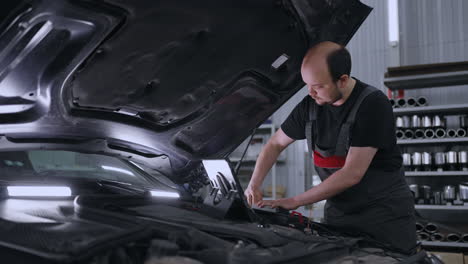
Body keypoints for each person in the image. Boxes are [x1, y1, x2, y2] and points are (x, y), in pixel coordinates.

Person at [244, 41, 416, 254]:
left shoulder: (372, 105)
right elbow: (275, 143)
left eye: (317, 86)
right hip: (340, 214)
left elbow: (351, 174)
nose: (311, 93)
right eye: (307, 85)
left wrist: (294, 201)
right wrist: (254, 184)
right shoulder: (310, 107)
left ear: (342, 80)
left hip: (383, 217)